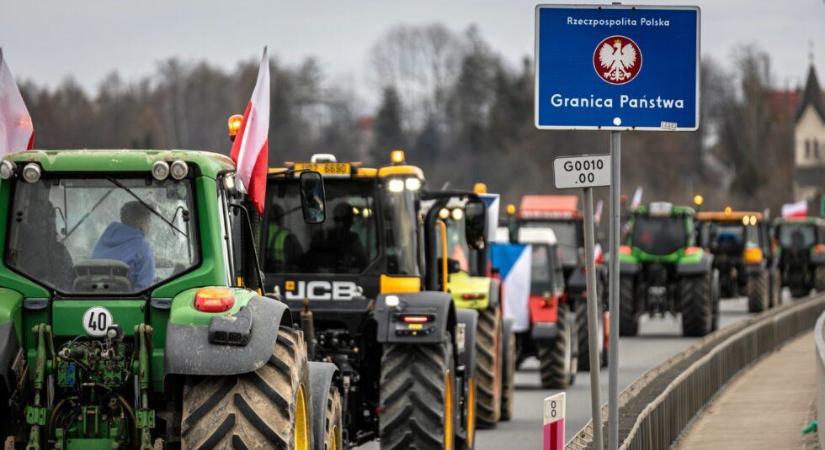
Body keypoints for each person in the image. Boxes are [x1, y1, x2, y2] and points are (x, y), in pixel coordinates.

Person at [92, 201, 155, 290]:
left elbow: (120, 256)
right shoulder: (144, 247)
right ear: (143, 222)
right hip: (125, 300)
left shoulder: (105, 238)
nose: (150, 225)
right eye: (149, 221)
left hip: (95, 294)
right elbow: (145, 287)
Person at [265, 203, 304, 272]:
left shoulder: (255, 231)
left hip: (258, 277)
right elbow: (300, 260)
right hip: (281, 276)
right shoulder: (288, 236)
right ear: (280, 219)